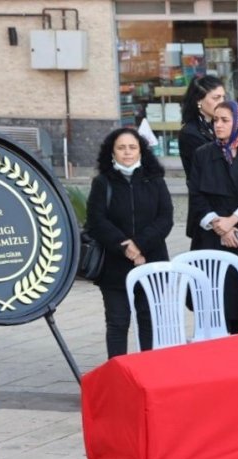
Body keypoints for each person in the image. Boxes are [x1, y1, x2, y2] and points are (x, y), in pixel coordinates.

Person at [85, 127, 173, 358]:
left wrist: (140, 246)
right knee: (117, 322)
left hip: (151, 261)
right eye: (121, 148)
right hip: (114, 266)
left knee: (149, 320)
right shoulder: (102, 183)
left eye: (132, 147)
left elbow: (165, 218)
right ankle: (118, 375)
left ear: (141, 151)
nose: (127, 152)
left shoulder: (155, 181)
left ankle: (149, 372)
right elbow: (96, 220)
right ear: (112, 152)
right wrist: (126, 248)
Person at [187, 100, 238, 334]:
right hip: (210, 235)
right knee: (212, 301)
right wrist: (219, 225)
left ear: (237, 122)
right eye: (215, 120)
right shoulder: (202, 155)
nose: (218, 125)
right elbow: (196, 194)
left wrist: (232, 222)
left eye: (225, 120)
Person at [177, 75, 225, 239]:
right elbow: (205, 175)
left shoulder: (219, 125)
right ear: (199, 100)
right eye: (216, 97)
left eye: (223, 97)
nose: (221, 102)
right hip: (208, 209)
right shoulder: (190, 133)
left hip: (229, 208)